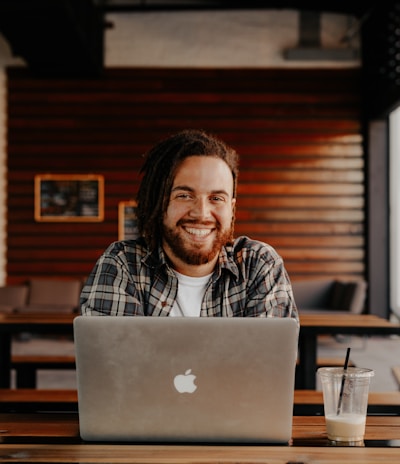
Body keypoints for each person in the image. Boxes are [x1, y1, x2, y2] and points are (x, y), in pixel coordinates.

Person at [80, 129, 298, 321]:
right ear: (159, 201)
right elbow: (114, 365)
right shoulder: (122, 265)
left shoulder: (259, 265)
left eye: (216, 198)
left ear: (231, 208)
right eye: (184, 195)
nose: (201, 213)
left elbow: (266, 366)